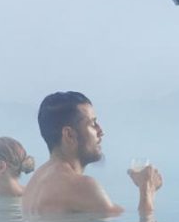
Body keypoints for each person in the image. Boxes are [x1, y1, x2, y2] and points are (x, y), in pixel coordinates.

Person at [22, 91, 162, 215]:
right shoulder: (81, 186)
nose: (101, 131)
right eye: (93, 124)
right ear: (69, 135)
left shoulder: (34, 183)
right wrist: (147, 189)